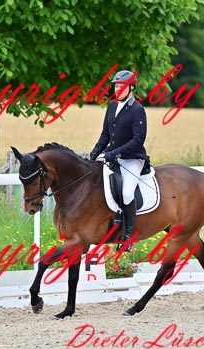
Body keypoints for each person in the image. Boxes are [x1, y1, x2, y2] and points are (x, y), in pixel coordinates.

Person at [89, 70, 149, 252]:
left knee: (127, 193)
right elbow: (105, 134)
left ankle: (128, 237)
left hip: (133, 159)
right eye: (116, 86)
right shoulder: (111, 106)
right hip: (113, 156)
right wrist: (95, 153)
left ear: (131, 88)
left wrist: (114, 152)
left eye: (121, 86)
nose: (117, 90)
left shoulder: (137, 110)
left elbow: (138, 140)